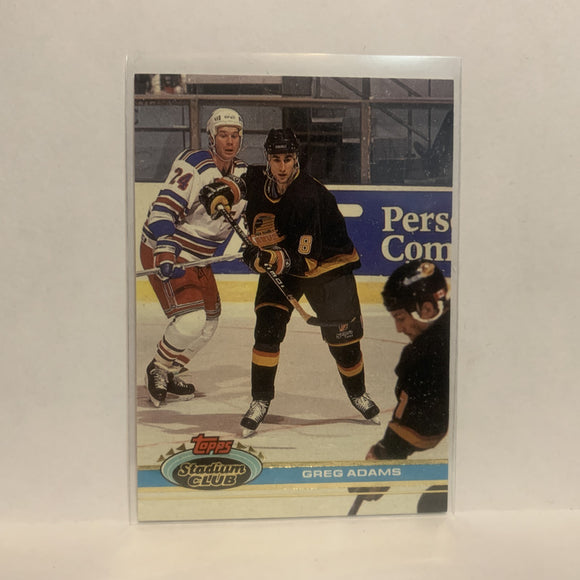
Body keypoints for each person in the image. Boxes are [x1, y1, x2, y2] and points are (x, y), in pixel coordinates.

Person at [200, 128, 380, 437]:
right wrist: (221, 193)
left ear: (296, 159)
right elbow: (238, 184)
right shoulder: (258, 178)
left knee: (345, 343)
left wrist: (266, 259)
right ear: (267, 159)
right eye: (275, 159)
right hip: (283, 260)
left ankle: (357, 393)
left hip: (328, 266)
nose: (281, 166)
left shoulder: (308, 196)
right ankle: (260, 400)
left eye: (287, 159)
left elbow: (306, 260)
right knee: (266, 329)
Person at [140, 108, 247, 407]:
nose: (230, 141)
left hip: (199, 258)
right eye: (223, 135)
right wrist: (165, 246)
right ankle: (157, 368)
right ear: (212, 137)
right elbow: (163, 209)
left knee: (209, 323)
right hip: (169, 247)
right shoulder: (194, 163)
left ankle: (170, 370)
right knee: (191, 320)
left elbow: (248, 221)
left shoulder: (242, 173)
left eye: (235, 135)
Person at [354, 259, 450, 509]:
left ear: (426, 309)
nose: (398, 328)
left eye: (400, 317)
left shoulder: (423, 355)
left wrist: (385, 455)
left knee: (433, 506)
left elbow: (424, 430)